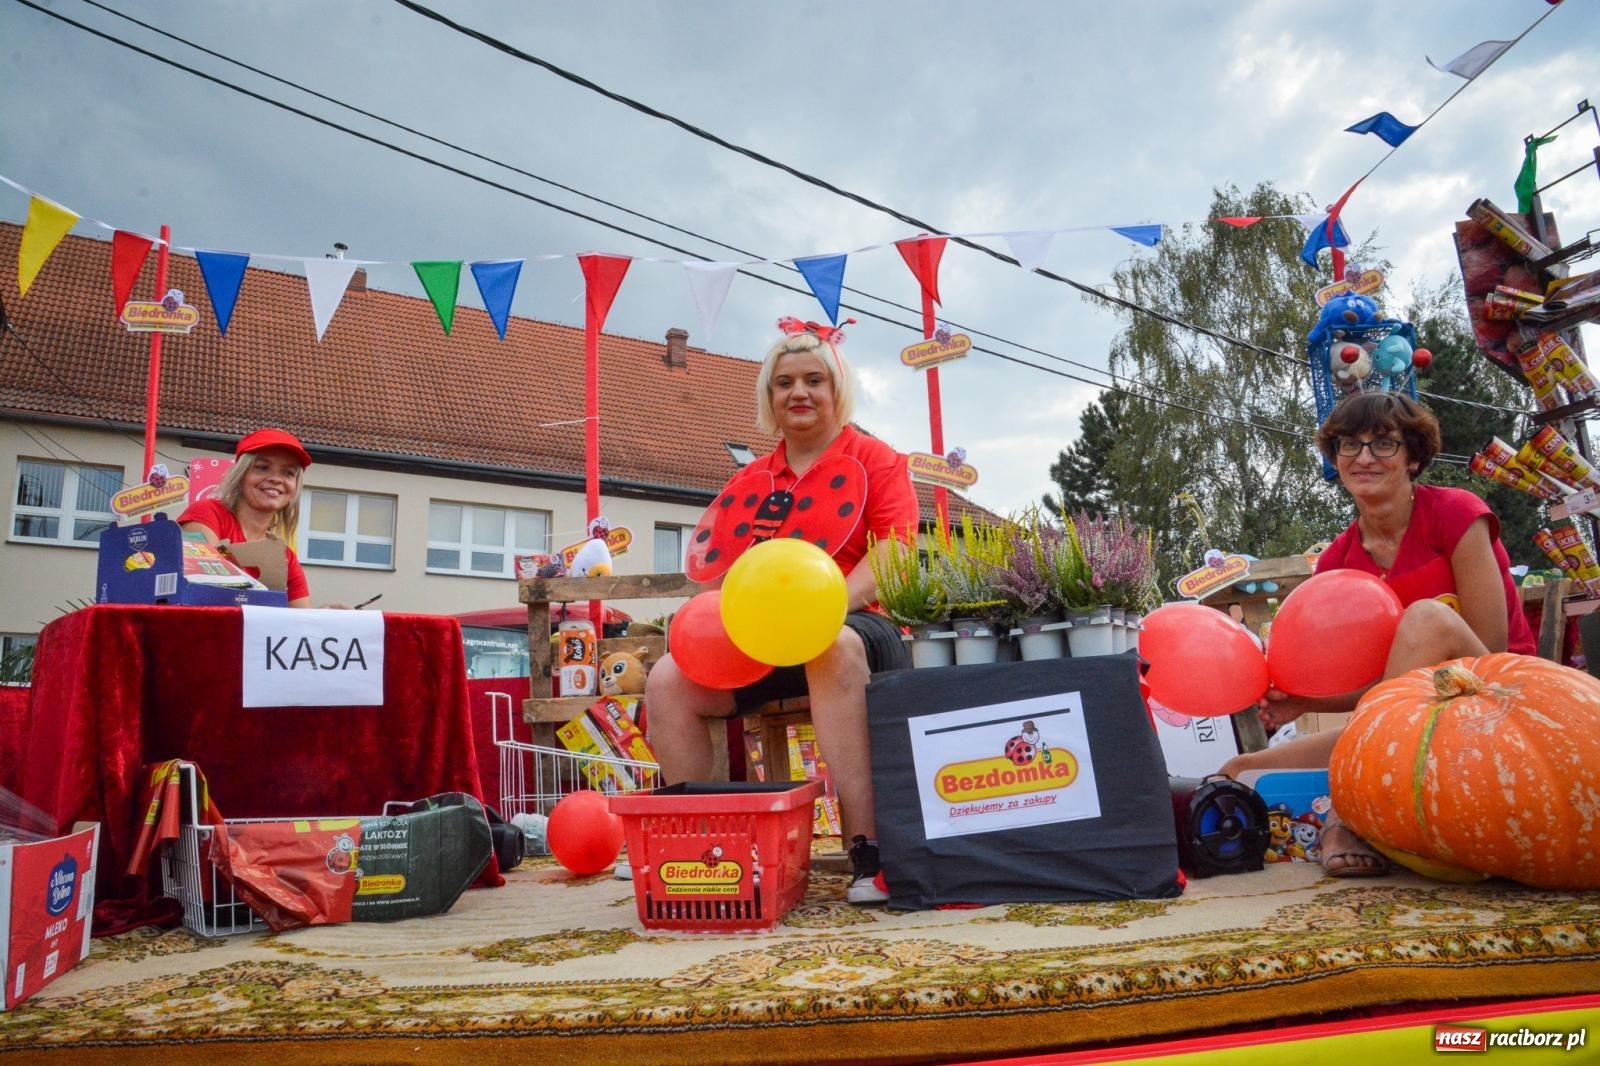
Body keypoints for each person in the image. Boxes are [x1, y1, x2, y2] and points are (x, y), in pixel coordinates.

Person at [645, 319, 918, 904]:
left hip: (860, 627)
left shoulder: (878, 460)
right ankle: (702, 843)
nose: (799, 392)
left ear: (837, 389)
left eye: (814, 380)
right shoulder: (749, 479)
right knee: (669, 678)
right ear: (768, 396)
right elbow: (720, 576)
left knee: (831, 645)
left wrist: (825, 606)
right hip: (765, 641)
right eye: (785, 382)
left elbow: (895, 554)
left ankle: (869, 848)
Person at [1219, 392, 1535, 875]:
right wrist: (1306, 702)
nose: (1364, 457)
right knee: (1239, 771)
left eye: (1383, 443)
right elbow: (1384, 689)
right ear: (1336, 459)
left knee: (1427, 618)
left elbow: (1491, 655)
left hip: (1502, 705)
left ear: (1414, 458)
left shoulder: (1456, 514)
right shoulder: (1337, 563)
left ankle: (1349, 816)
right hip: (1407, 728)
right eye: (1350, 444)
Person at [177, 428, 317, 608]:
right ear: (240, 476)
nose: (276, 479)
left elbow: (303, 617)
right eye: (262, 467)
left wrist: (329, 615)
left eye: (288, 472)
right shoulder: (207, 515)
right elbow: (207, 591)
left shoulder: (285, 556)